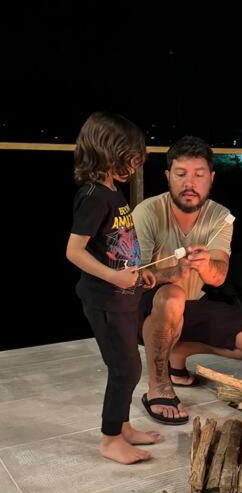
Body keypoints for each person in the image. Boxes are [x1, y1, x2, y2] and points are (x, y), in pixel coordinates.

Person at [132, 135, 242, 424]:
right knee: (172, 294)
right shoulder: (148, 211)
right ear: (168, 177)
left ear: (211, 178)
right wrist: (172, 273)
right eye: (181, 174)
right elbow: (134, 278)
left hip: (189, 305)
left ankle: (179, 352)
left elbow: (218, 278)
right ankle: (159, 386)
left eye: (199, 175)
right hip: (143, 310)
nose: (190, 183)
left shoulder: (220, 217)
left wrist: (206, 265)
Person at [66, 111, 162, 464]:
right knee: (125, 368)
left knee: (128, 365)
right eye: (131, 156)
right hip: (105, 300)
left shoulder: (112, 192)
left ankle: (122, 427)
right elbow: (74, 251)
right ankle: (110, 440)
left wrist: (138, 273)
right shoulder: (93, 196)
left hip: (123, 295)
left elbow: (115, 244)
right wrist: (115, 277)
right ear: (108, 151)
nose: (135, 164)